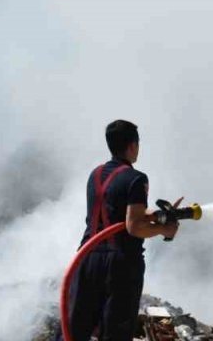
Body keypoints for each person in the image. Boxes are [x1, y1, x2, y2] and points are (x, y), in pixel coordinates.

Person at [67, 119, 179, 341]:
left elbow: (115, 212)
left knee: (75, 328)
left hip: (87, 258)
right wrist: (164, 230)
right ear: (132, 146)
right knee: (115, 332)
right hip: (119, 265)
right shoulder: (136, 179)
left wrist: (158, 216)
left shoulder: (95, 174)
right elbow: (134, 225)